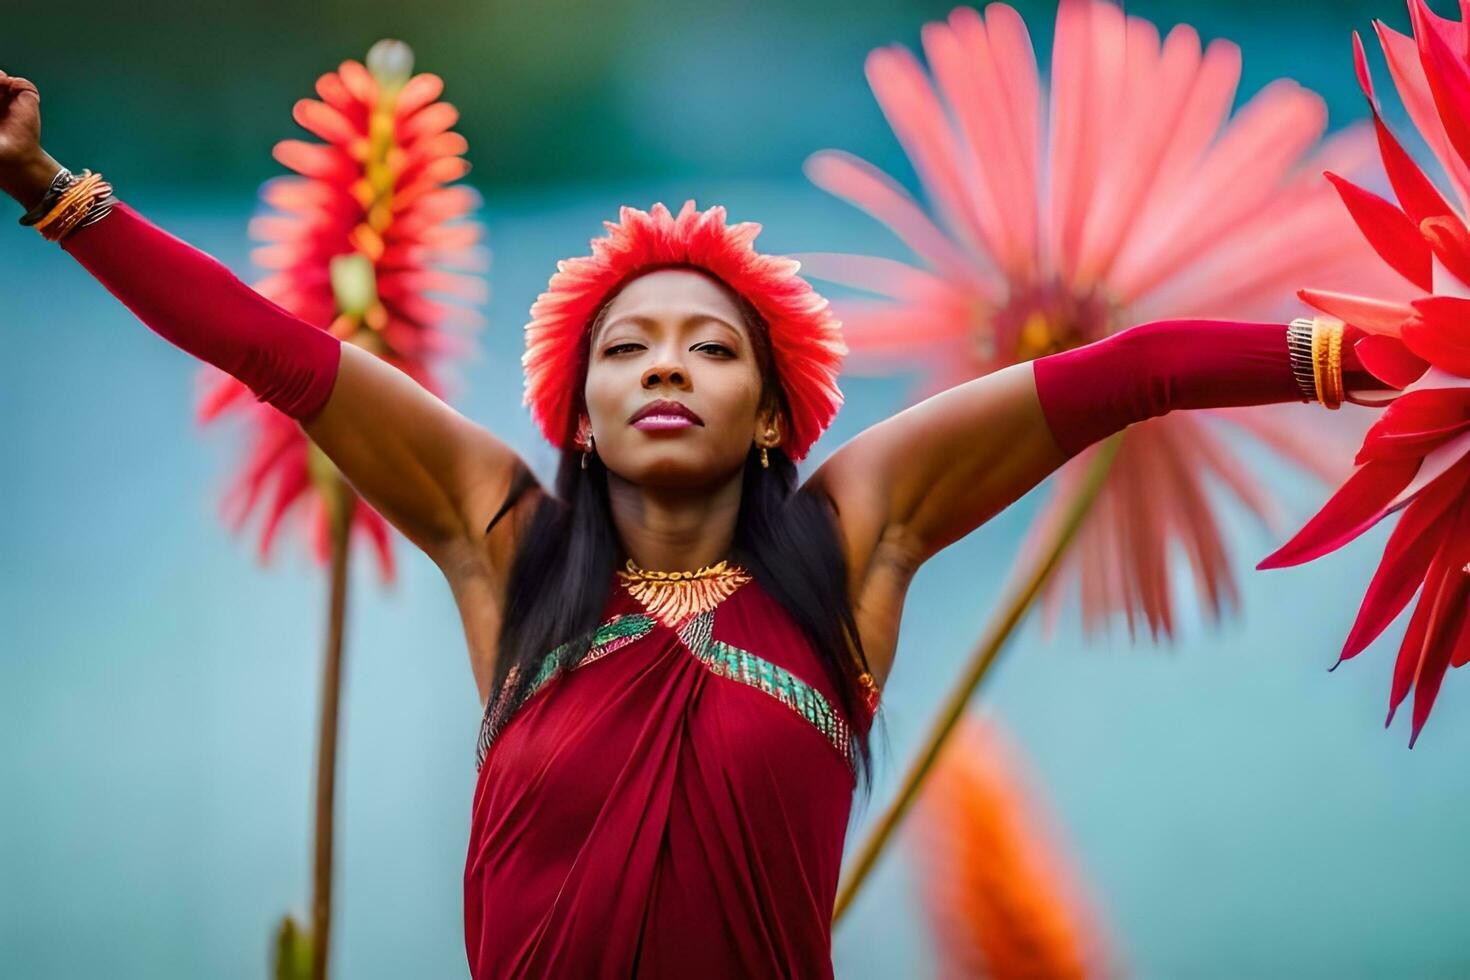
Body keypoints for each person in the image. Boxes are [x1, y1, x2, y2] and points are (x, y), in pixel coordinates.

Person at [0, 69, 1391, 978]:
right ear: (579, 416)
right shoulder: (509, 548)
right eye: (628, 349)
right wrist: (46, 188)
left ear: (777, 417)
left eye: (711, 348)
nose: (665, 365)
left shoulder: (851, 547)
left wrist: (1353, 361)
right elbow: (277, 355)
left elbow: (1118, 379)